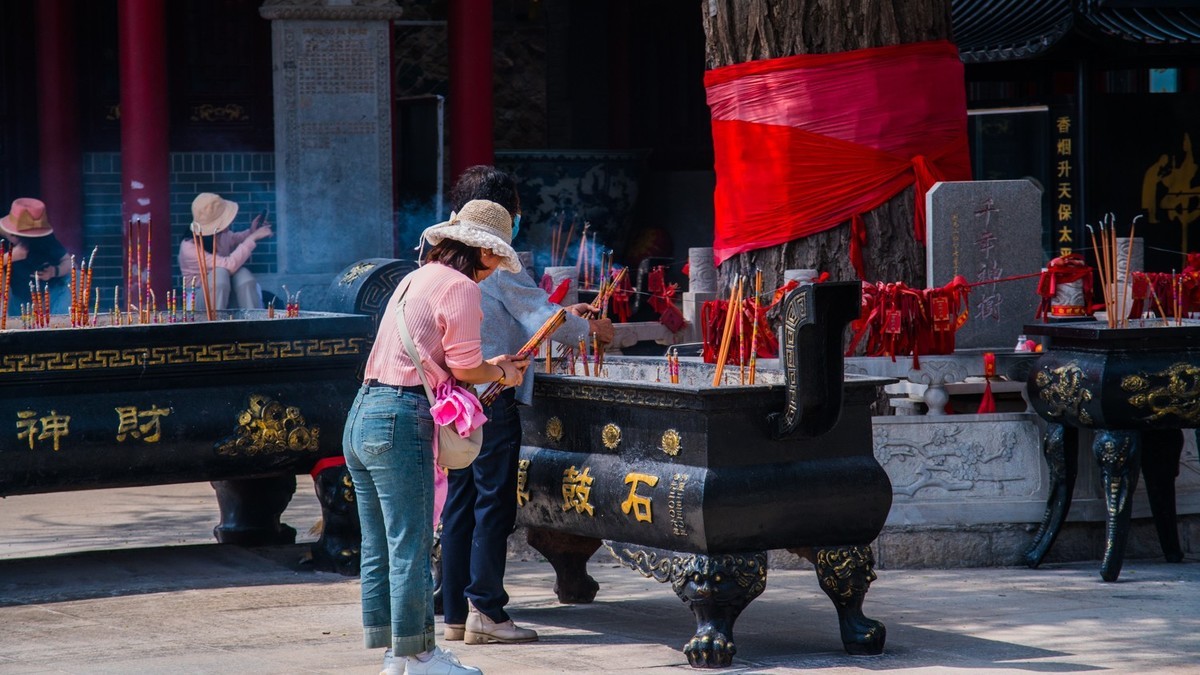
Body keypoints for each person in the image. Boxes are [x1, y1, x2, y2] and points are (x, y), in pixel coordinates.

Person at [344, 198, 530, 675]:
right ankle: (422, 657)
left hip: (363, 412)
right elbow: (465, 367)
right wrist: (503, 373)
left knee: (381, 545)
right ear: (483, 252)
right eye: (497, 259)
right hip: (399, 418)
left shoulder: (416, 276)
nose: (494, 270)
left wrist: (491, 367)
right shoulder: (461, 286)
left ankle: (397, 654)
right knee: (411, 544)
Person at [439, 166, 615, 645]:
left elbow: (509, 315)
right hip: (491, 394)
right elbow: (538, 316)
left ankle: (453, 611)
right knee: (492, 504)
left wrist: (563, 316)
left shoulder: (443, 254)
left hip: (455, 398)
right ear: (500, 215)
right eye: (515, 211)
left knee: (461, 501)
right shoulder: (494, 257)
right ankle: (486, 611)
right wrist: (590, 329)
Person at [178, 192, 272, 311]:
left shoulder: (219, 235)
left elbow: (236, 238)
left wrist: (252, 231)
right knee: (219, 274)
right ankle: (216, 322)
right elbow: (229, 265)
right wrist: (252, 238)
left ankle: (253, 318)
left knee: (243, 275)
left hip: (227, 295)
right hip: (199, 302)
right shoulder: (189, 247)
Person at [0, 198, 72, 317]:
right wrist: (10, 257)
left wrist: (54, 271)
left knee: (76, 276)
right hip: (13, 301)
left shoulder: (43, 237)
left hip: (49, 296)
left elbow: (68, 262)